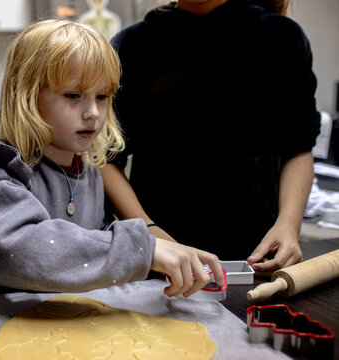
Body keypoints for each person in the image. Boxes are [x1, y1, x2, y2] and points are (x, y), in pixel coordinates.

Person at [0, 19, 223, 300]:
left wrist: (158, 253)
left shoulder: (88, 173)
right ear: (26, 96)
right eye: (73, 95)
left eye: (102, 96)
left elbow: (90, 245)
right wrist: (142, 249)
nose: (93, 112)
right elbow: (16, 248)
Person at [102, 0, 321, 275]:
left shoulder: (281, 38)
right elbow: (106, 159)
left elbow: (298, 149)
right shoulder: (132, 45)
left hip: (257, 257)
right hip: (162, 261)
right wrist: (149, 232)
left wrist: (288, 226)